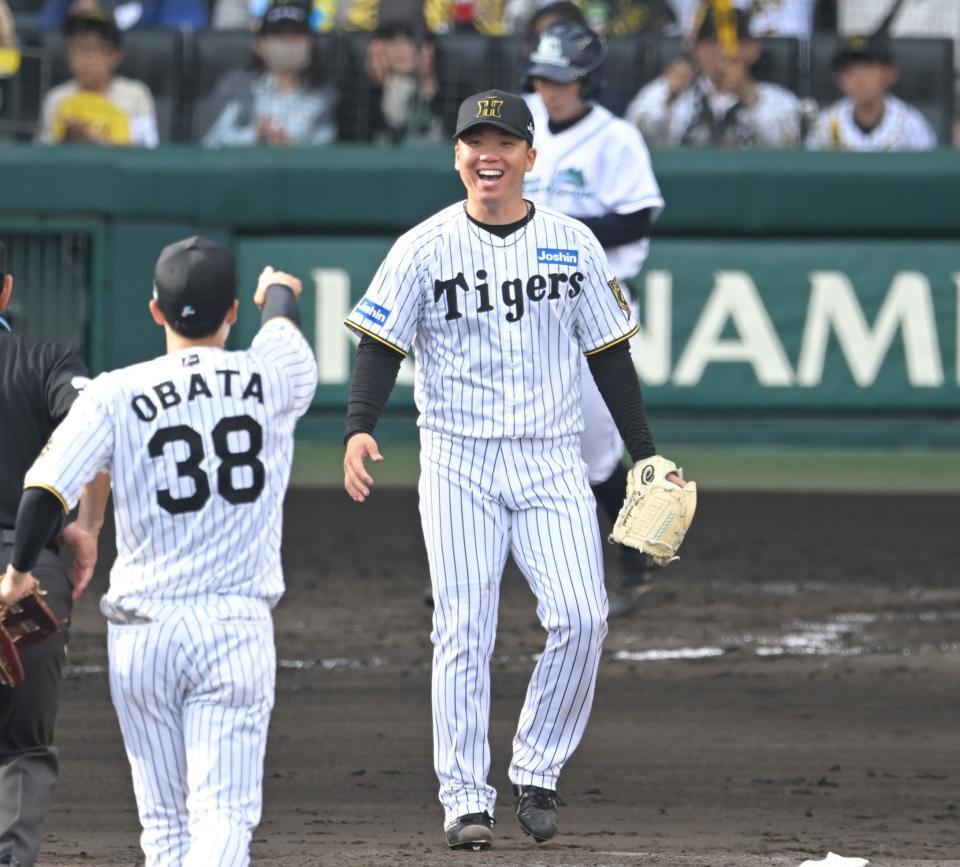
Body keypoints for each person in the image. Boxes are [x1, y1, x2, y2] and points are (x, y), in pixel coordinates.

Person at [342, 89, 683, 850]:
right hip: (458, 461)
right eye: (473, 141)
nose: (486, 154)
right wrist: (359, 427)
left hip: (551, 459)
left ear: (531, 156)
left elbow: (609, 352)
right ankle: (465, 797)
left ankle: (538, 767)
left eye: (503, 141)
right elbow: (379, 346)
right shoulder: (423, 246)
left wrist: (644, 448)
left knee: (583, 614)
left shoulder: (572, 242)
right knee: (465, 628)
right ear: (457, 155)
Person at [1, 237, 318, 866]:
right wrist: (276, 289)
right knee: (222, 816)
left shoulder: (115, 393)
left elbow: (42, 489)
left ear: (154, 310)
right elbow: (283, 318)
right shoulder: (274, 373)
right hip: (232, 625)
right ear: (232, 312)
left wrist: (14, 575)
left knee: (166, 830)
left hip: (144, 633)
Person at [522, 21, 664, 615]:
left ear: (587, 80)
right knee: (520, 431)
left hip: (594, 298)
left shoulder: (616, 138)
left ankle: (634, 551)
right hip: (526, 301)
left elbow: (637, 217)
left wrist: (558, 235)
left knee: (597, 446)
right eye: (543, 76)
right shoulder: (521, 120)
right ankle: (481, 563)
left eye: (562, 79)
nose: (549, 89)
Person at [0, 241, 110, 867]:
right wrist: (87, 527)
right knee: (21, 748)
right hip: (29, 570)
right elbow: (94, 430)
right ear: (7, 291)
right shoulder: (46, 361)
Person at [625, 5, 800, 148]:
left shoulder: (777, 99)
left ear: (753, 49)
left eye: (732, 41)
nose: (722, 51)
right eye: (711, 42)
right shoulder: (668, 92)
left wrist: (750, 97)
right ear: (696, 50)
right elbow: (634, 139)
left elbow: (790, 147)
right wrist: (667, 96)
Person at [201, 1, 337, 148]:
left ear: (310, 43)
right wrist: (253, 135)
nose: (289, 44)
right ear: (259, 44)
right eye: (280, 36)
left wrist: (293, 149)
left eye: (296, 35)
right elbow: (209, 142)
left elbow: (326, 152)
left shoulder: (324, 97)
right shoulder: (235, 87)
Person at [36, 7, 158, 147]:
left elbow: (148, 150)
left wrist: (96, 139)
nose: (87, 60)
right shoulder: (56, 98)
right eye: (80, 50)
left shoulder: (137, 95)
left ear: (115, 55)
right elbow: (42, 156)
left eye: (95, 50)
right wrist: (67, 138)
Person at [806, 34, 936, 152]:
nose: (860, 80)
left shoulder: (911, 124)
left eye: (868, 70)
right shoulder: (826, 123)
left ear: (889, 75)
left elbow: (930, 172)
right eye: (851, 73)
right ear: (839, 80)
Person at [338, 22, 443, 143]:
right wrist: (376, 74)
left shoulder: (439, 89)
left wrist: (428, 78)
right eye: (392, 43)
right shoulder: (364, 94)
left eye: (407, 43)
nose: (400, 51)